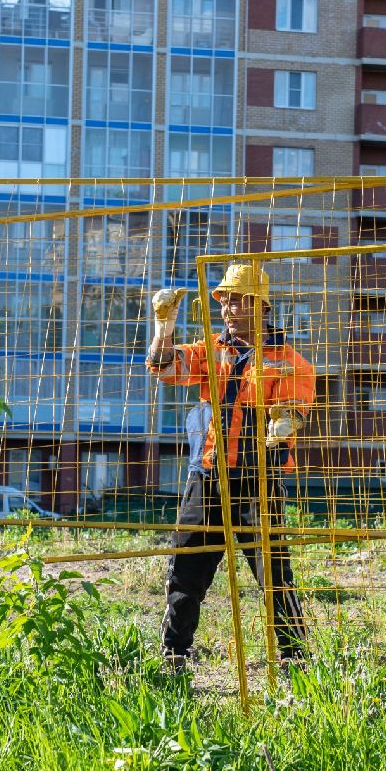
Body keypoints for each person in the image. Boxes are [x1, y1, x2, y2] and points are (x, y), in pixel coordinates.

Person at [145, 263, 315, 664]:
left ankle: (294, 658)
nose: (227, 309)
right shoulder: (210, 350)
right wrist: (163, 327)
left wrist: (285, 420)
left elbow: (295, 406)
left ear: (260, 305)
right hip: (207, 474)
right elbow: (163, 367)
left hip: (260, 479)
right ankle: (174, 653)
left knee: (274, 574)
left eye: (236, 300)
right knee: (186, 571)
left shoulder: (290, 360)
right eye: (223, 300)